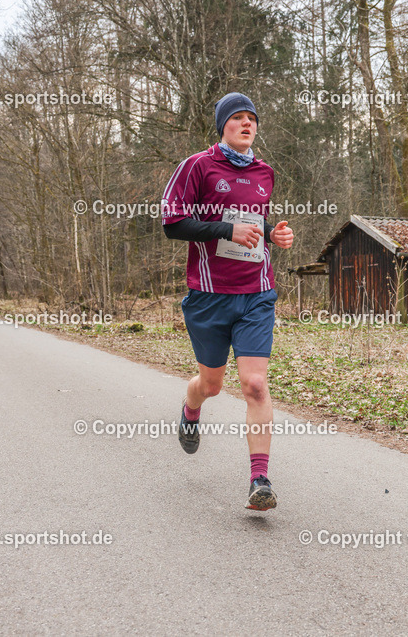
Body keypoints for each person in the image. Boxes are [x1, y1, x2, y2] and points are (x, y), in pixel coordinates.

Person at [162, 92, 293, 511]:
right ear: (222, 126)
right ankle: (191, 407)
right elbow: (173, 223)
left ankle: (260, 479)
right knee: (212, 385)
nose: (246, 123)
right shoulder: (197, 166)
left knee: (255, 384)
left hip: (256, 292)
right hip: (209, 296)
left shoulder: (264, 172)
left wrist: (273, 234)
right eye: (236, 117)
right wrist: (225, 230)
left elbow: (254, 220)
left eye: (251, 118)